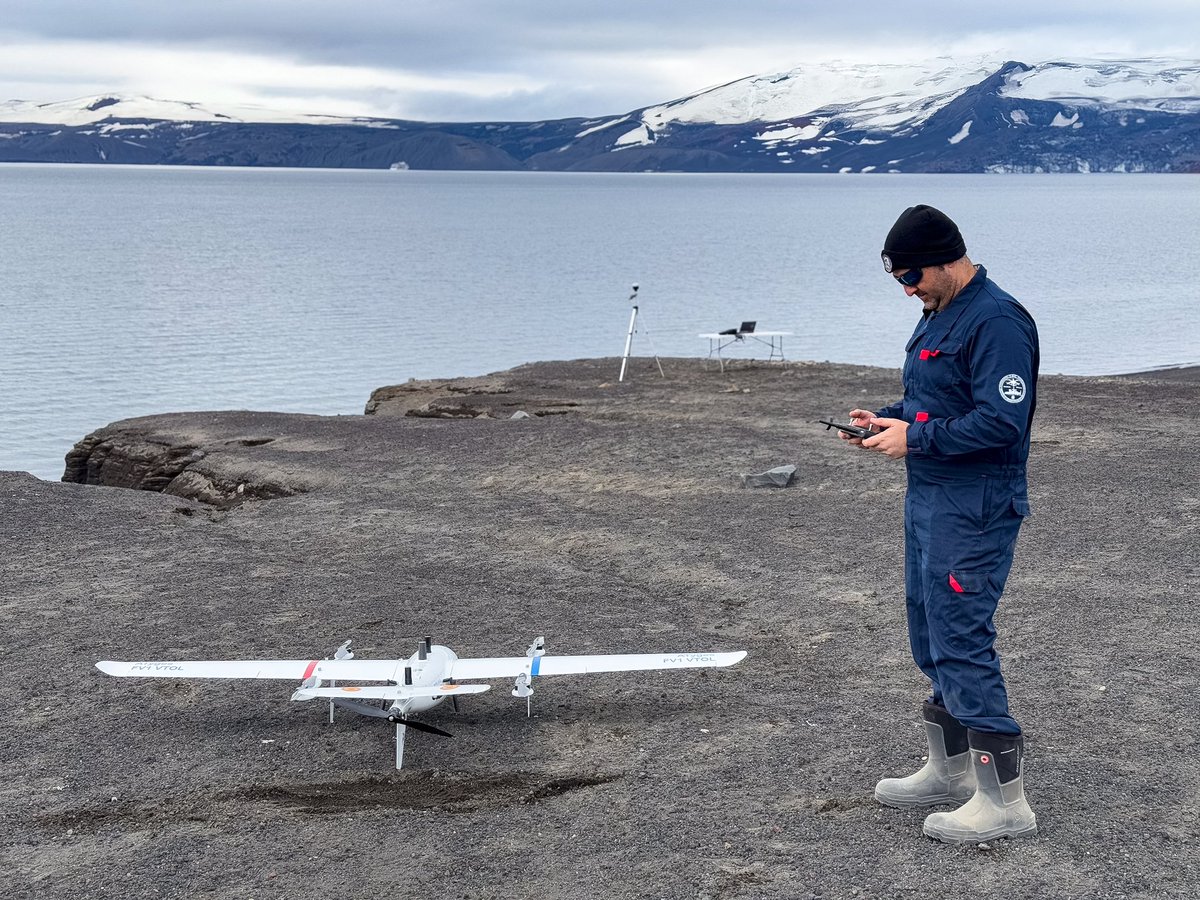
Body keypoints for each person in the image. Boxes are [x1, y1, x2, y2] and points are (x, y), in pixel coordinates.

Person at [842, 204, 1039, 844]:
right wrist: (890, 419)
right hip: (930, 495)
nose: (906, 289)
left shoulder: (998, 321)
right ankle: (951, 769)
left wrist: (916, 435)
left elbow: (1001, 423)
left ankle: (1004, 801)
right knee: (926, 627)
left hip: (976, 501)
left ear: (949, 258)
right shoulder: (940, 311)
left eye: (913, 276)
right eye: (898, 279)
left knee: (960, 633)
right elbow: (939, 400)